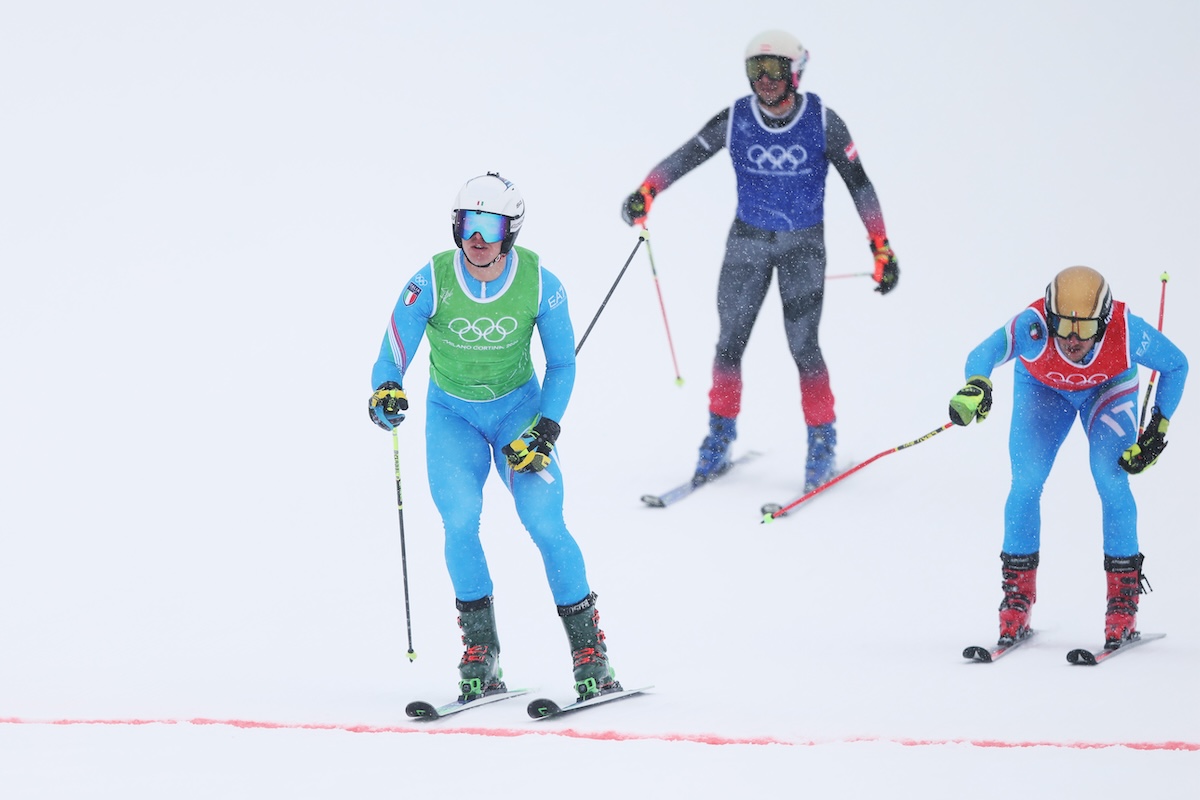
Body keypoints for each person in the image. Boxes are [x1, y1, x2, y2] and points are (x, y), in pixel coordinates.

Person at [368, 173, 621, 702]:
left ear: (512, 231)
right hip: (451, 416)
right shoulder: (431, 280)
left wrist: (546, 428)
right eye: (468, 224)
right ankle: (482, 653)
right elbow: (391, 354)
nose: (478, 238)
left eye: (491, 225)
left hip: (518, 414)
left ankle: (590, 653)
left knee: (543, 520)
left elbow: (562, 364)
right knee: (459, 520)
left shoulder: (541, 284)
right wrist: (386, 389)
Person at [620, 29, 899, 491]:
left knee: (804, 347)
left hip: (803, 247)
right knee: (729, 343)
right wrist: (647, 190)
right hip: (747, 244)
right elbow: (687, 155)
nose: (765, 80)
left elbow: (860, 184)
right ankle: (719, 435)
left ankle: (822, 441)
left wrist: (881, 246)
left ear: (796, 72)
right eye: (756, 69)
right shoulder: (737, 118)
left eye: (775, 69)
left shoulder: (823, 121)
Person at [948, 266, 1187, 649]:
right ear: (1049, 316)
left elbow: (1176, 364)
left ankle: (1122, 605)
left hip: (1108, 388)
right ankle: (1017, 600)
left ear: (1104, 322)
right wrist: (978, 382)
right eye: (1062, 326)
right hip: (1042, 389)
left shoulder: (1127, 329)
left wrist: (1157, 429)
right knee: (1026, 481)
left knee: (1110, 478)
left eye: (1087, 329)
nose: (1073, 340)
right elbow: (984, 352)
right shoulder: (1033, 326)